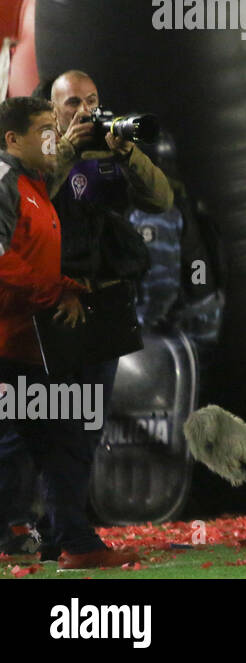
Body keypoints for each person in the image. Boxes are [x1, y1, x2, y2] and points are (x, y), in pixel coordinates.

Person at [45, 70, 172, 559]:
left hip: (110, 297)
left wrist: (128, 152)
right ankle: (60, 531)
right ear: (53, 110)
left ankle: (64, 529)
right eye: (73, 102)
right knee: (60, 424)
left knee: (88, 422)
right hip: (60, 301)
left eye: (93, 100)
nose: (85, 111)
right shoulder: (44, 151)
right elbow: (29, 198)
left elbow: (162, 199)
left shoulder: (112, 150)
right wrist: (69, 149)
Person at [0, 97, 130, 569]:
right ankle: (65, 538)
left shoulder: (35, 185)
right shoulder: (5, 183)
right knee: (48, 439)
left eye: (55, 127)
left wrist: (65, 290)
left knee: (61, 439)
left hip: (28, 341)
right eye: (43, 129)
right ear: (12, 140)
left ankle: (71, 540)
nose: (54, 137)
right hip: (7, 343)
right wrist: (58, 289)